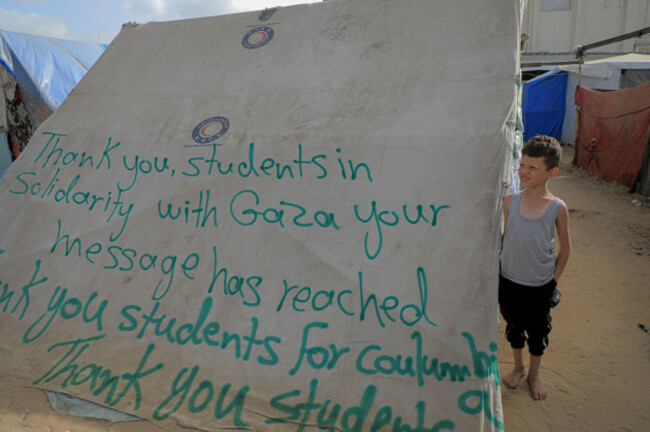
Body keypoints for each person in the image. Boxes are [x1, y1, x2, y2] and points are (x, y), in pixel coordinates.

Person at [499, 135, 572, 400]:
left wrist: (552, 281)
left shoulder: (557, 208)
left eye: (532, 167)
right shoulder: (510, 202)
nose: (523, 171)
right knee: (513, 328)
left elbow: (566, 248)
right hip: (508, 281)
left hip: (540, 286)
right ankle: (518, 367)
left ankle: (534, 374)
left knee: (538, 332)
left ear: (551, 172)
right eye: (522, 164)